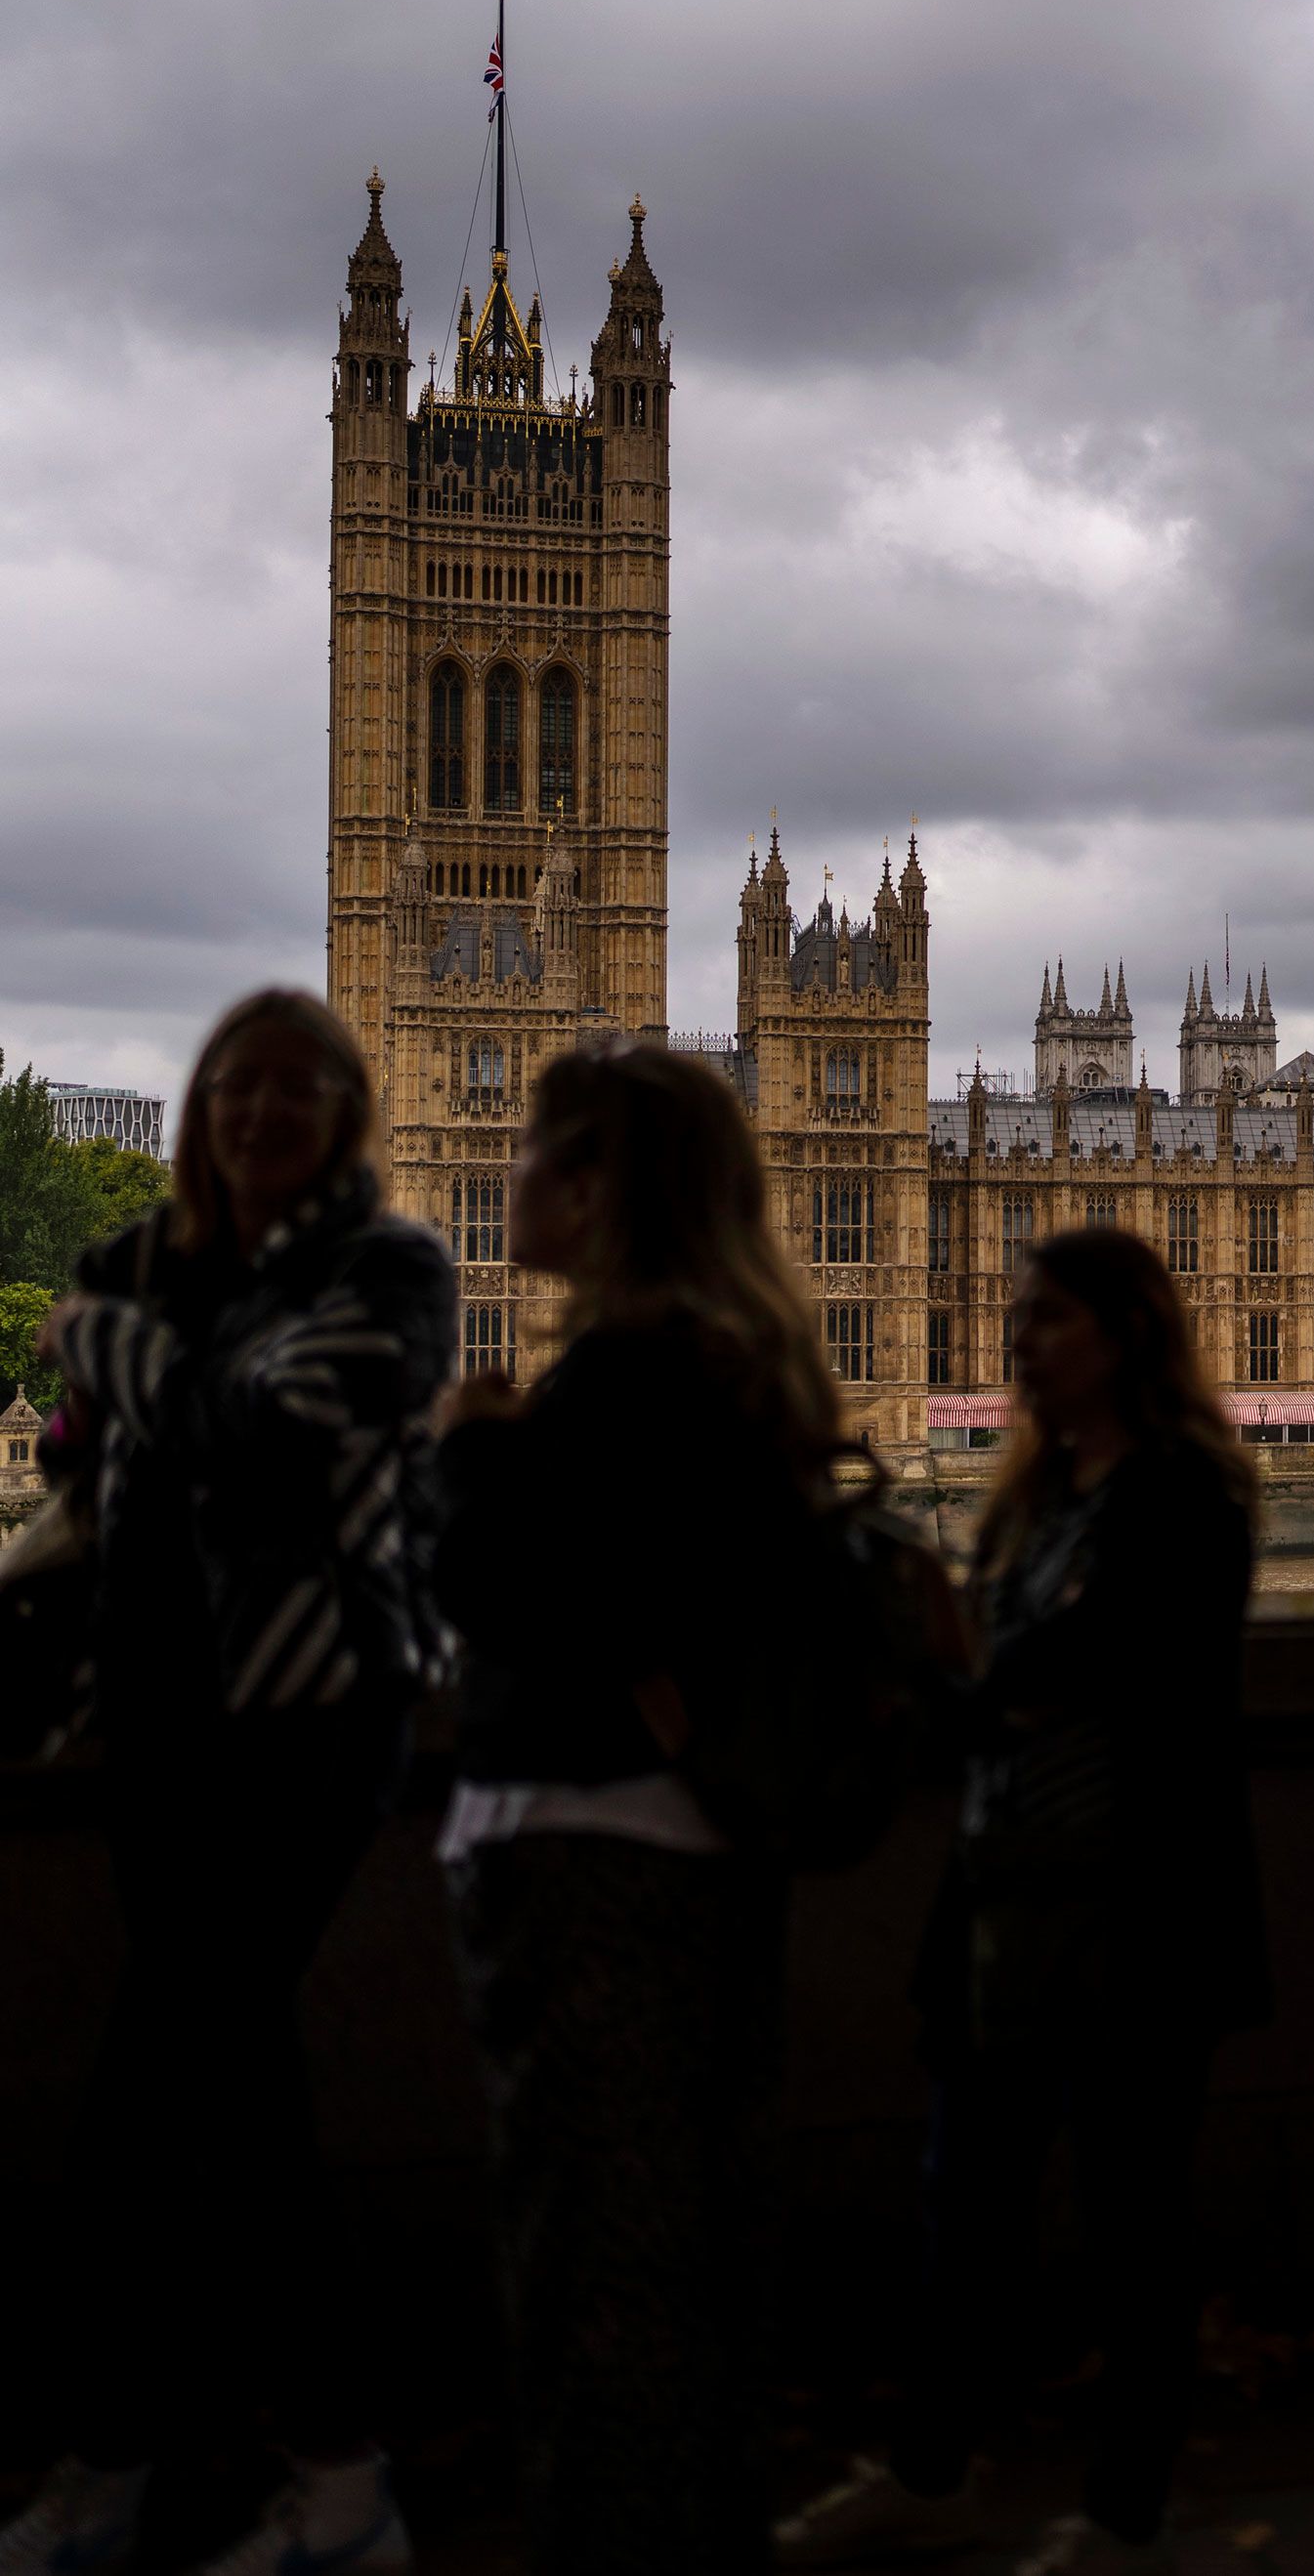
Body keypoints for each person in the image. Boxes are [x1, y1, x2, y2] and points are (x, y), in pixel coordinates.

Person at [2, 991, 453, 2576]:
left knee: (154, 2107)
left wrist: (112, 1351)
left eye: (295, 1087)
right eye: (234, 1084)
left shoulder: (391, 1266)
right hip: (163, 1718)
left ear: (347, 1115)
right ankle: (319, 2477)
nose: (258, 1111)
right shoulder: (149, 1258)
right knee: (230, 2100)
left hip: (316, 1718)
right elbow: (95, 1472)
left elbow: (269, 1435)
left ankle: (135, 2465)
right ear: (201, 1109)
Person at [779, 1226, 1267, 2575]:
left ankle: (1127, 2511)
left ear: (1126, 1332)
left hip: (1134, 1915)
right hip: (1000, 1901)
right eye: (1015, 1318)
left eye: (1045, 1317)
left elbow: (1064, 1674)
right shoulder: (1035, 1500)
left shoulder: (1186, 1497)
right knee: (966, 2205)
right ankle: (933, 2470)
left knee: (1130, 2225)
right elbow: (992, 1697)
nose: (1015, 1342)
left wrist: (945, 1630)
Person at [432, 1042, 848, 2575]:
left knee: (596, 2268)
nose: (506, 1168)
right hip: (701, 1848)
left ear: (600, 1188)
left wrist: (471, 1460)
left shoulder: (624, 1372)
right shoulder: (740, 1360)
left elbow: (520, 1598)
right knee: (701, 2247)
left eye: (532, 1148)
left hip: (597, 1863)